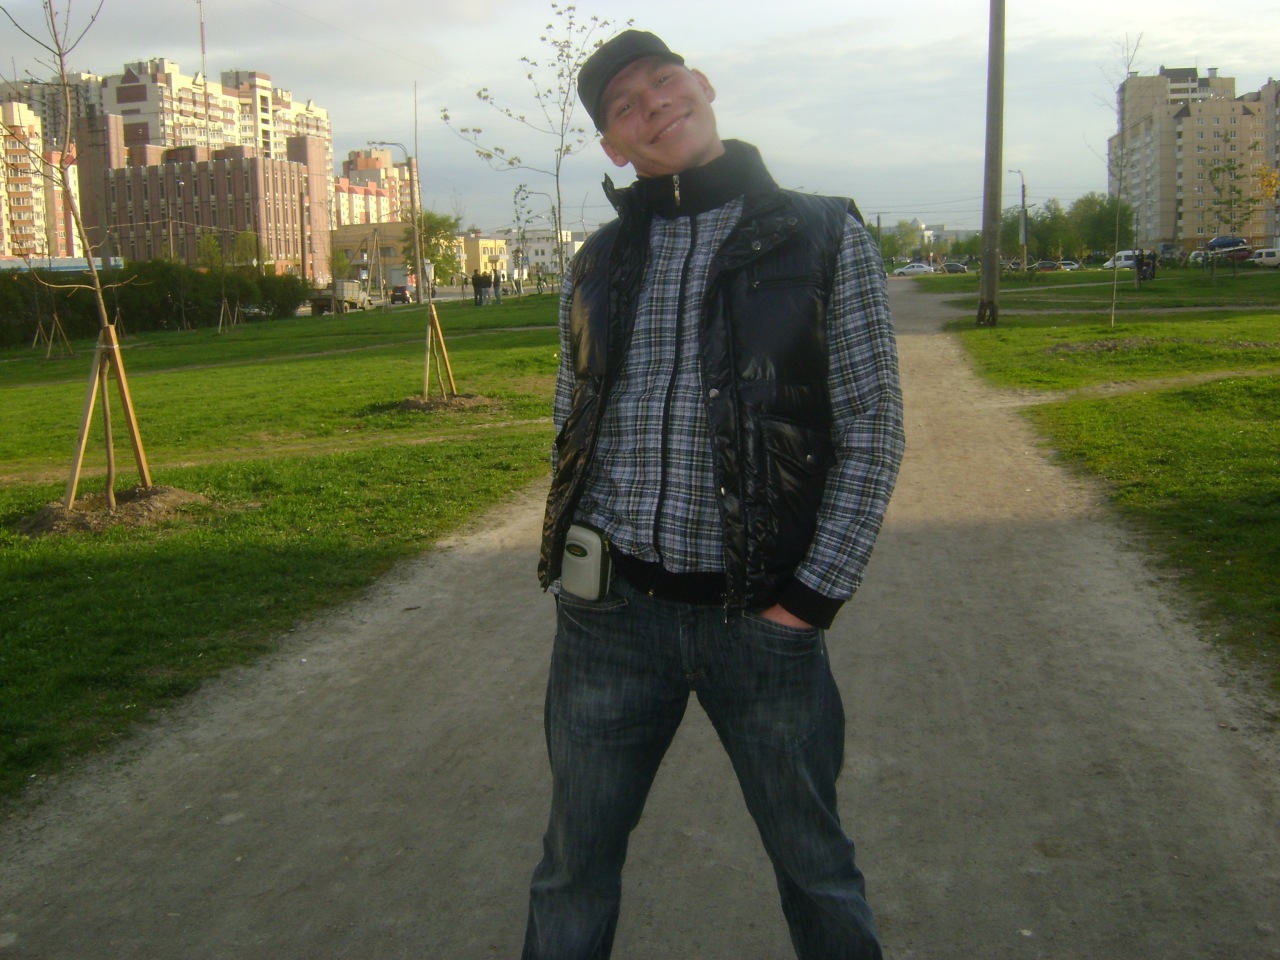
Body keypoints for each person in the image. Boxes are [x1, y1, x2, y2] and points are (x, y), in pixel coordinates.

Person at [523, 30, 905, 960]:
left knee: (816, 868)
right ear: (614, 147)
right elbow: (575, 418)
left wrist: (807, 602)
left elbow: (872, 428)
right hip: (610, 622)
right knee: (573, 867)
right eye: (625, 106)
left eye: (663, 81)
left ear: (702, 84)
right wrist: (577, 564)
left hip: (763, 624)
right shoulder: (597, 259)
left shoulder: (825, 233)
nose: (653, 104)